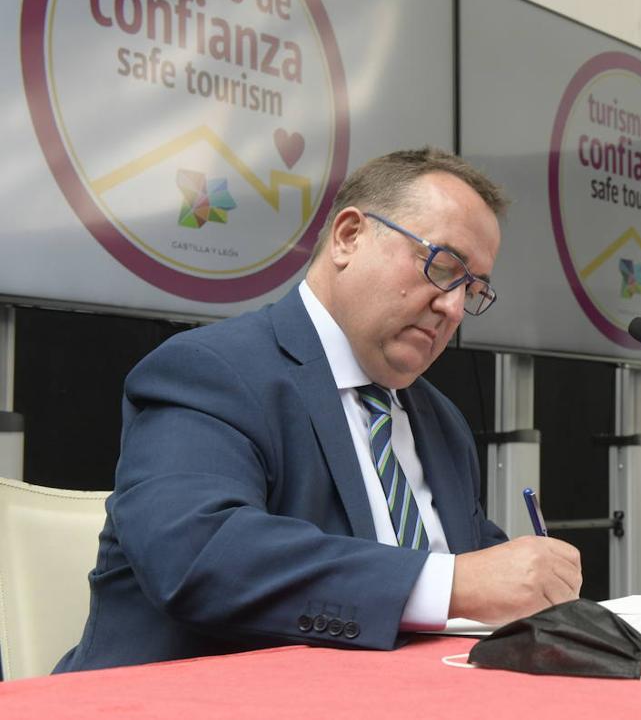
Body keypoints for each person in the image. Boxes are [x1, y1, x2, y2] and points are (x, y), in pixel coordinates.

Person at [56, 148, 582, 672]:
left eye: (472, 289)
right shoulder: (211, 370)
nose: (451, 307)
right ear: (349, 236)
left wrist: (532, 582)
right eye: (442, 266)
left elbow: (483, 573)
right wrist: (452, 583)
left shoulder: (440, 420)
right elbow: (199, 555)